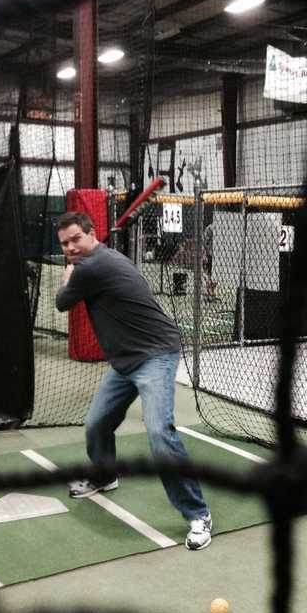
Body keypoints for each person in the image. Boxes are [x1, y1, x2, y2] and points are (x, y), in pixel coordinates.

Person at [54, 211, 213, 550]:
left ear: (91, 234)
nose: (70, 248)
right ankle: (105, 475)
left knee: (159, 432)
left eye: (75, 240)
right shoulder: (102, 259)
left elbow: (61, 303)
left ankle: (198, 513)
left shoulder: (90, 268)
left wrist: (68, 275)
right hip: (125, 361)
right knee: (97, 424)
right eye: (64, 244)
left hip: (155, 355)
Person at [203, 222, 218, 302]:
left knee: (213, 275)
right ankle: (210, 293)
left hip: (215, 254)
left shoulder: (211, 227)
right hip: (212, 254)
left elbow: (205, 241)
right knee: (210, 274)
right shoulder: (211, 227)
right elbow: (205, 241)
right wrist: (207, 251)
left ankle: (211, 292)